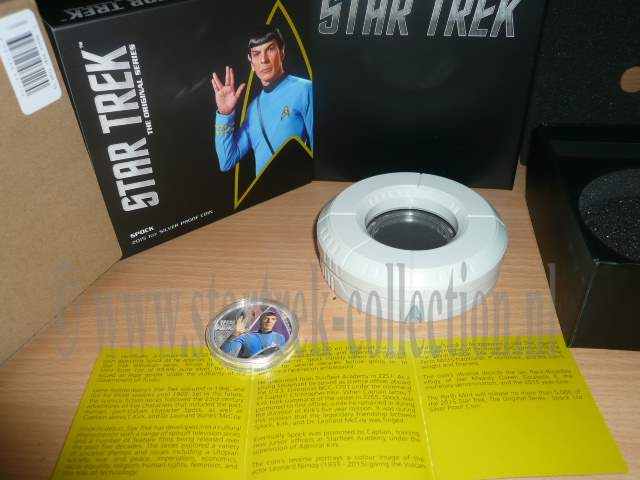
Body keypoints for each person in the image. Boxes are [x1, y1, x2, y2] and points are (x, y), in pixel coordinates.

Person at [212, 27, 313, 177]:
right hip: (266, 190)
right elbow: (227, 161)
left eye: (270, 49)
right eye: (256, 54)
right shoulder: (253, 109)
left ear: (282, 52)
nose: (264, 60)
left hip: (297, 185)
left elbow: (321, 153)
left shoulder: (304, 89)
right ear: (251, 62)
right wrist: (225, 114)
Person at [220, 310, 286, 358]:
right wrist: (235, 334)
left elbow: (282, 355)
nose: (269, 321)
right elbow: (227, 354)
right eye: (266, 318)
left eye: (273, 319)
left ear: (275, 321)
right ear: (260, 320)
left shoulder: (280, 337)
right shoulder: (246, 337)